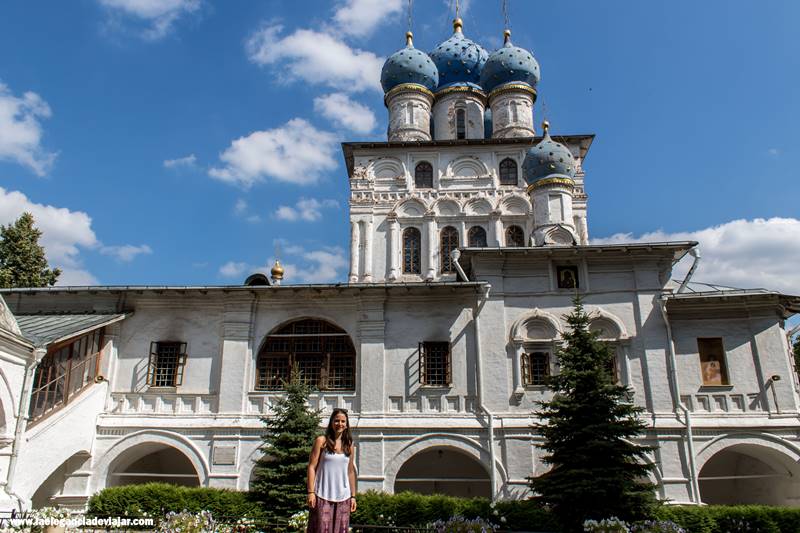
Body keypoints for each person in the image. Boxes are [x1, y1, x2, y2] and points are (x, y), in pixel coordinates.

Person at [306, 408, 357, 533]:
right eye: (336, 421)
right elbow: (311, 467)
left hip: (343, 497)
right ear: (331, 422)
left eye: (343, 421)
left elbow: (350, 472)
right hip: (322, 495)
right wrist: (311, 492)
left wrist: (353, 496)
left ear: (346, 424)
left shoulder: (349, 444)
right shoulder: (321, 441)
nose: (339, 424)